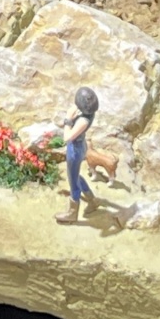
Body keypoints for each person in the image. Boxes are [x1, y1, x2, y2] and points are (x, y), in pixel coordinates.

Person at [55, 87, 101, 225]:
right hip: (80, 146)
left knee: (73, 181)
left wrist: (68, 120)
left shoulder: (84, 121)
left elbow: (67, 137)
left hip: (75, 150)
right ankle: (92, 200)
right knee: (75, 175)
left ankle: (72, 213)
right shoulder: (88, 113)